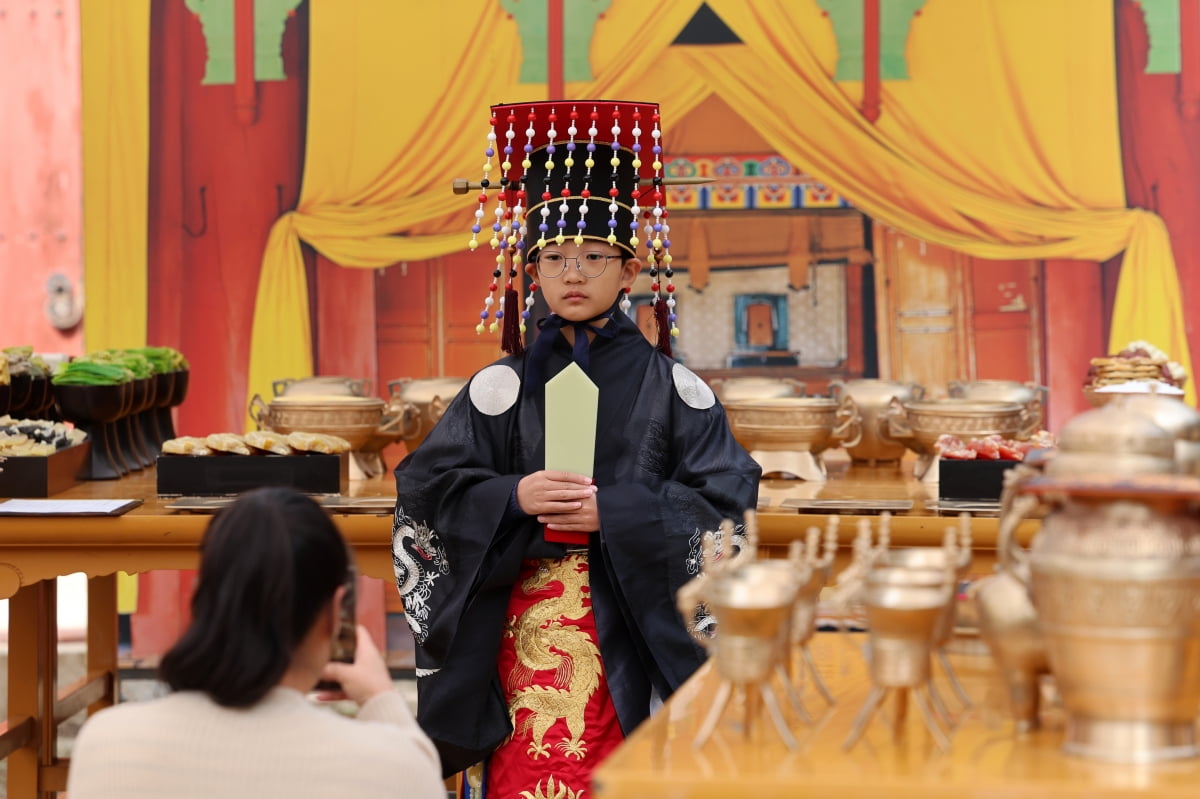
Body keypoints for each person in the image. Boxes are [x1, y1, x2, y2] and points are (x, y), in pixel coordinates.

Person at [391, 100, 761, 797]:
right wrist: (509, 496)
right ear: (531, 269)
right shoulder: (496, 386)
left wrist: (619, 513)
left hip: (631, 625)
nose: (573, 273)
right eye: (554, 257)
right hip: (514, 634)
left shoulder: (674, 390)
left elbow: (728, 503)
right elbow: (425, 492)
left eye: (594, 257)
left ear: (629, 271)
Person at [67, 487, 445, 799]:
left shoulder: (106, 743)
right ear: (333, 613)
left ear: (202, 598)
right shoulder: (392, 767)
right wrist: (381, 700)